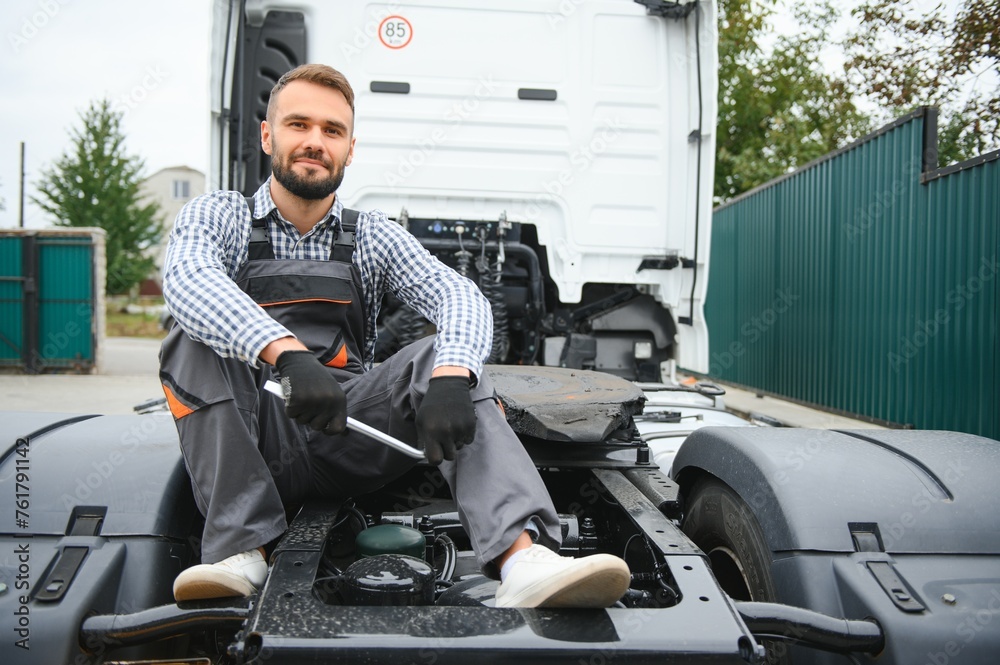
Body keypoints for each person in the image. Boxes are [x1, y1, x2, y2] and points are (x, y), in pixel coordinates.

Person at [159, 63, 630, 608]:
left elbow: (458, 296)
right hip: (255, 432)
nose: (315, 142)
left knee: (445, 356)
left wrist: (452, 378)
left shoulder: (373, 235)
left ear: (350, 149)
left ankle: (523, 560)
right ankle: (242, 550)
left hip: (347, 430)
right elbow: (189, 280)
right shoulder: (222, 216)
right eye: (298, 125)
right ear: (268, 135)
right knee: (187, 339)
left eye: (332, 131)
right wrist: (286, 356)